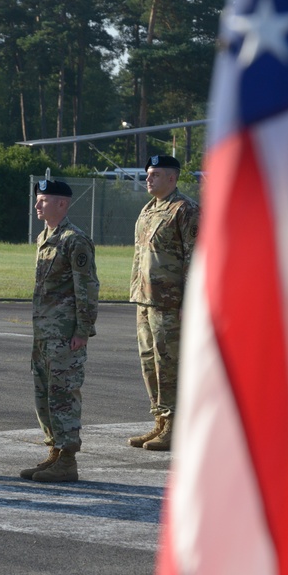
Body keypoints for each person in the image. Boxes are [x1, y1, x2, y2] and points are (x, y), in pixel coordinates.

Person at [20, 179, 99, 483]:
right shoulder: (45, 237)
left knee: (63, 394)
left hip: (66, 334)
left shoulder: (74, 240)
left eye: (43, 200)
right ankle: (55, 450)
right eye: (38, 200)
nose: (37, 205)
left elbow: (87, 288)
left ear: (62, 204)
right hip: (45, 333)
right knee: (44, 394)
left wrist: (83, 329)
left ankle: (67, 459)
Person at [128, 154, 200, 452]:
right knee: (149, 363)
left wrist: (190, 301)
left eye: (155, 174)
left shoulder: (185, 210)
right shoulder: (148, 211)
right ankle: (160, 420)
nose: (148, 179)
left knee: (169, 363)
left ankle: (176, 425)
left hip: (171, 303)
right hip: (145, 300)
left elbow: (197, 257)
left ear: (172, 178)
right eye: (148, 174)